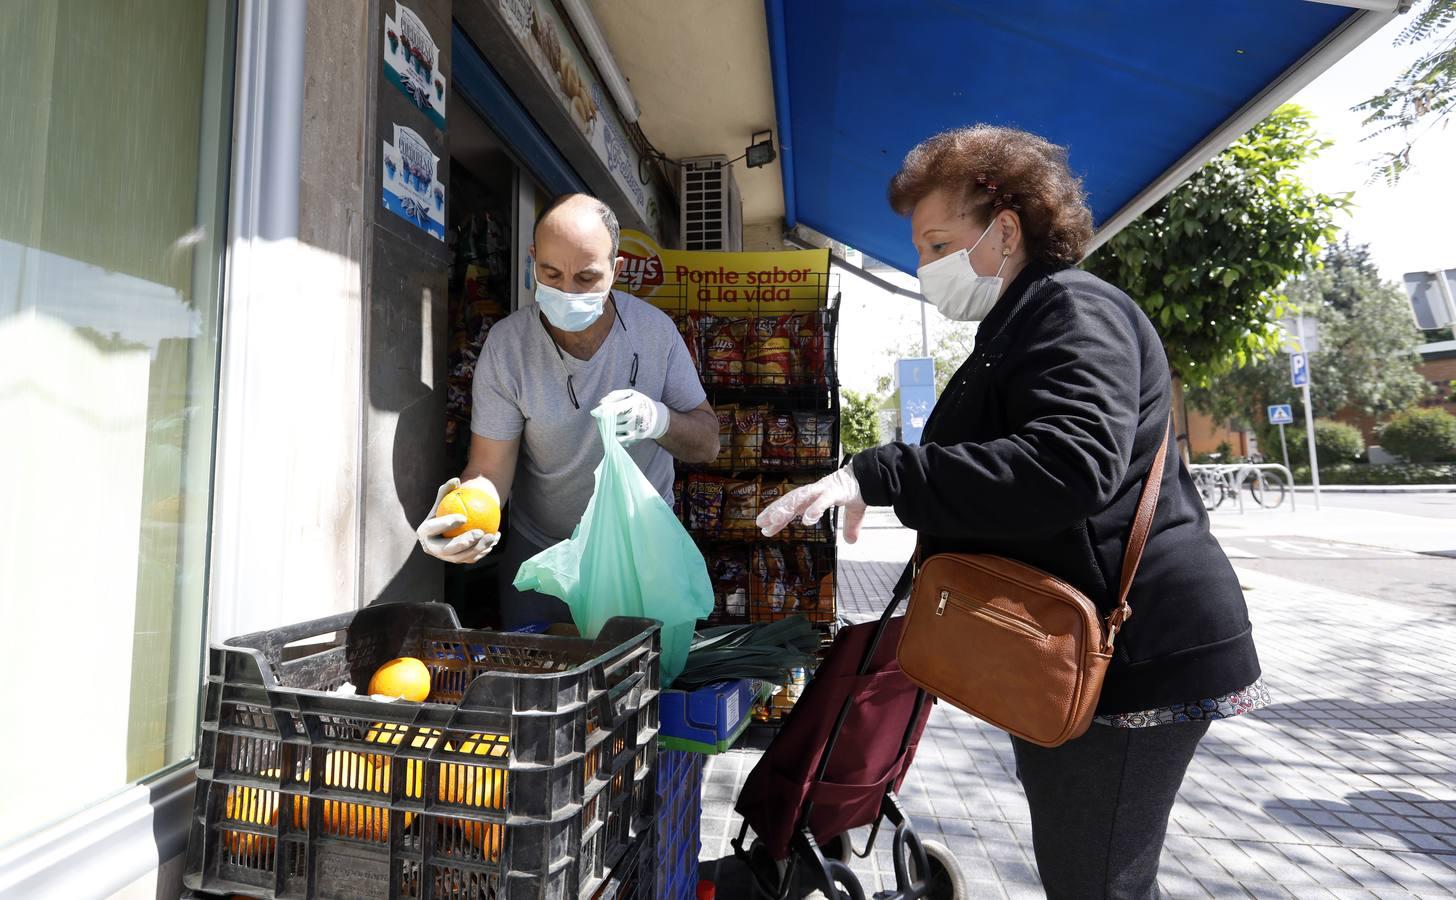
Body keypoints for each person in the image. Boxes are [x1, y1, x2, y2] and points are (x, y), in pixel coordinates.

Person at [757, 126, 1267, 899]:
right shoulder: (1021, 318)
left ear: (1004, 227)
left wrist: (882, 473)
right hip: (1078, 649)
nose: (924, 267)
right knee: (1088, 873)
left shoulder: (1072, 307)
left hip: (1133, 653)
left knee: (1095, 883)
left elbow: (1069, 466)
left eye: (936, 243)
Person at [416, 193, 718, 628]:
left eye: (586, 277)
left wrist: (659, 419)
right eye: (551, 274)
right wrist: (461, 516)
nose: (567, 292)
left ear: (615, 272)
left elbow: (708, 442)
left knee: (637, 683)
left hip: (642, 553)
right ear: (532, 260)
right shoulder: (507, 348)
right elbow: (489, 467)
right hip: (542, 554)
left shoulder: (655, 334)